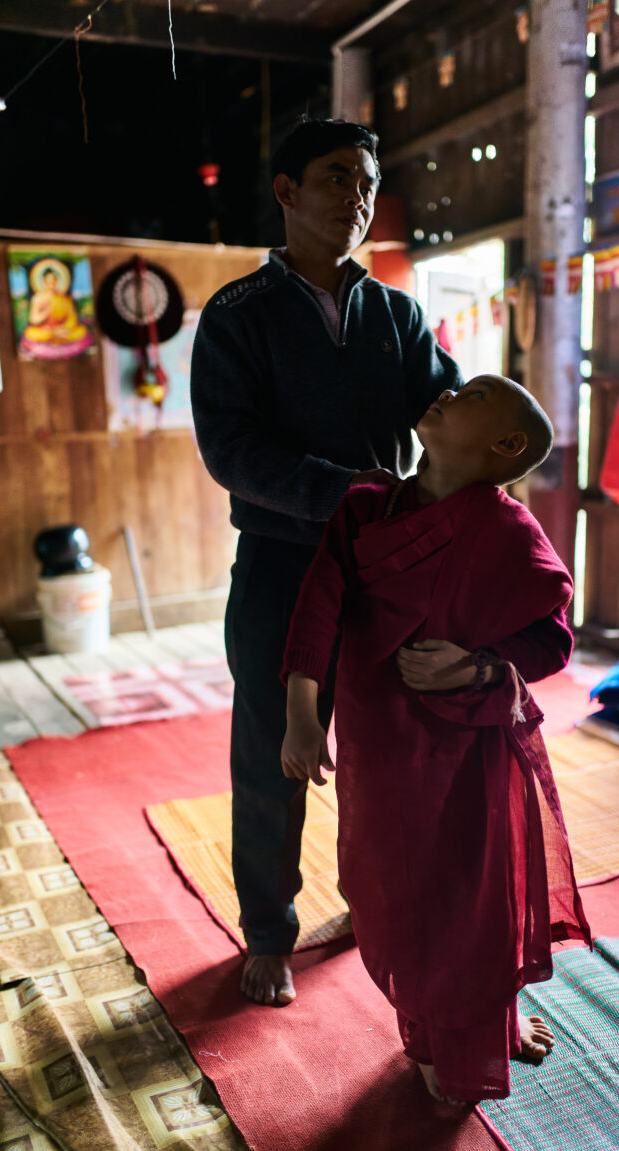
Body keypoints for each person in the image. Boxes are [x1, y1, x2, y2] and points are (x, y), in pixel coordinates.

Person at [190, 117, 462, 1007]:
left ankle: (370, 905)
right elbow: (230, 450)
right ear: (287, 191)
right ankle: (267, 933)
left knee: (386, 751)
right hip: (281, 565)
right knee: (276, 752)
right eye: (338, 176)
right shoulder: (237, 316)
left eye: (368, 181)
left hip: (383, 568)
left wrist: (493, 434)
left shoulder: (397, 314)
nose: (358, 195)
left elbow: (444, 414)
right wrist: (343, 490)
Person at [281, 374, 591, 1104]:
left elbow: (552, 641)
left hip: (466, 748)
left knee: (474, 891)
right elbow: (316, 608)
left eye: (475, 394)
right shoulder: (364, 510)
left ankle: (475, 1029)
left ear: (504, 445)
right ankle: (431, 1028)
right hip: (380, 742)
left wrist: (480, 663)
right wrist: (301, 711)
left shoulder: (506, 530)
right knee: (394, 891)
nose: (451, 390)